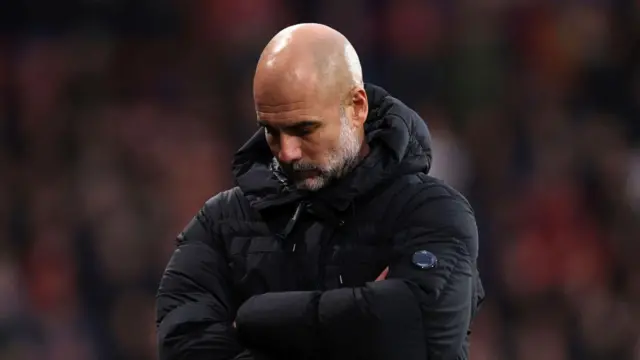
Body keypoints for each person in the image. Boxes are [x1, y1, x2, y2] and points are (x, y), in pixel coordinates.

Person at [156, 23, 484, 360]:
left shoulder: (432, 212)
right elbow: (182, 350)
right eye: (271, 130)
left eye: (304, 129)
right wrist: (359, 321)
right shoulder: (219, 224)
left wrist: (255, 318)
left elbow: (420, 336)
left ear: (357, 107)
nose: (287, 152)